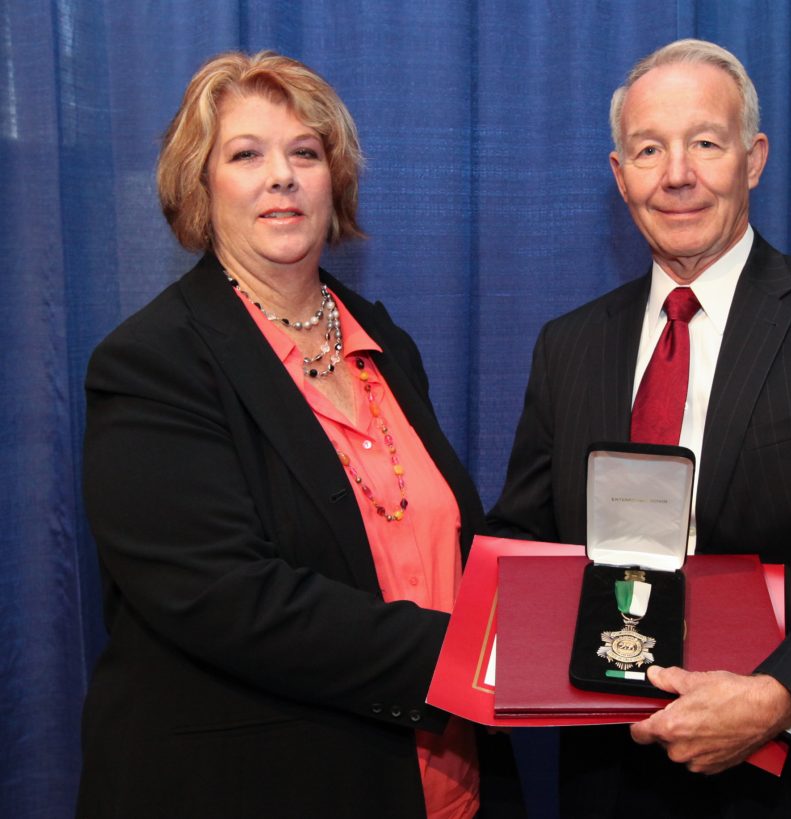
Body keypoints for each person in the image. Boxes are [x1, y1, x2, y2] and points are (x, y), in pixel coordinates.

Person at [488, 39, 791, 817]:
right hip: (614, 777)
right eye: (649, 149)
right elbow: (526, 539)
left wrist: (778, 698)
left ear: (754, 158)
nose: (677, 173)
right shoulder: (567, 345)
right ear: (619, 174)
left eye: (705, 142)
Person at [77, 51, 516, 819]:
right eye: (246, 154)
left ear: (334, 181)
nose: (281, 176)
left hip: (447, 785)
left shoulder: (385, 344)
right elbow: (229, 599)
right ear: (200, 186)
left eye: (305, 153)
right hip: (260, 785)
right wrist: (477, 655)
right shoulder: (152, 362)